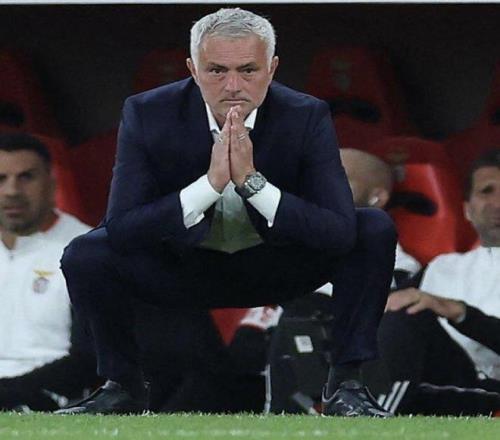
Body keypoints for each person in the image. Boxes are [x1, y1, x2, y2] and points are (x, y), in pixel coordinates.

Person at [58, 8, 396, 416]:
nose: (233, 86)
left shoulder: (305, 114)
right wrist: (209, 185)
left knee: (372, 228)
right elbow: (123, 229)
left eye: (248, 70)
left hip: (276, 265)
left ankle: (347, 386)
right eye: (216, 70)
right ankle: (121, 386)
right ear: (192, 69)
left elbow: (339, 232)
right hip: (183, 268)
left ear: (271, 69)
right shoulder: (148, 112)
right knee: (87, 253)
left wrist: (253, 183)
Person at [378, 148, 500, 415]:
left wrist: (459, 312)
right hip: (431, 380)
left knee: (408, 313)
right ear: (467, 210)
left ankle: (372, 416)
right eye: (487, 191)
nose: (498, 203)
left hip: (488, 389)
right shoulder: (442, 267)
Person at [0, 132, 97, 411]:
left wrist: (9, 391)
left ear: (52, 183)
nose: (12, 191)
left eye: (26, 177)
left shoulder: (86, 250)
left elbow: (90, 359)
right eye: (1, 179)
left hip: (49, 399)